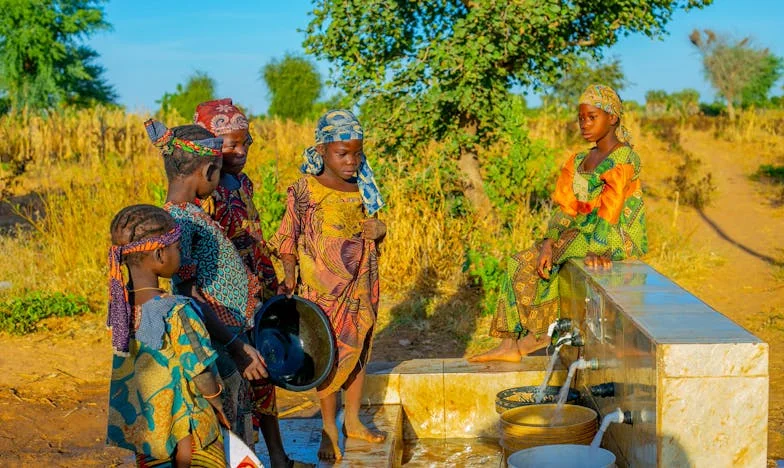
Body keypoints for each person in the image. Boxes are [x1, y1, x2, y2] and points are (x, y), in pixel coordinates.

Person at [470, 84, 648, 363]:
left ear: (612, 118)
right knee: (519, 262)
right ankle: (509, 344)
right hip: (580, 233)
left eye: (592, 117)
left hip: (614, 235)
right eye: (581, 118)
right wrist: (549, 241)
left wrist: (598, 248)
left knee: (557, 256)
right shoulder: (579, 160)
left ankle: (534, 339)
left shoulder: (624, 158)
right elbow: (566, 208)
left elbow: (611, 208)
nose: (584, 124)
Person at [144, 119, 283, 462]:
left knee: (238, 428)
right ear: (208, 170)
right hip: (220, 345)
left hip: (228, 338)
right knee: (227, 434)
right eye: (219, 172)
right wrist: (236, 346)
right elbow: (190, 293)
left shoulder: (189, 214)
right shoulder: (180, 221)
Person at [272, 110, 387, 461]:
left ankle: (352, 421)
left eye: (357, 153)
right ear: (322, 151)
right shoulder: (305, 189)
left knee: (357, 351)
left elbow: (376, 229)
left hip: (361, 287)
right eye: (343, 154)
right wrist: (289, 274)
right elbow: (287, 235)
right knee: (326, 357)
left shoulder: (364, 187)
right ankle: (327, 428)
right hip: (321, 292)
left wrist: (380, 230)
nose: (352, 161)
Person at [193, 99, 287, 464]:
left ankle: (277, 456)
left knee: (264, 376)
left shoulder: (242, 182)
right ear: (210, 145)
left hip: (256, 291)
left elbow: (253, 235)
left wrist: (272, 276)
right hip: (225, 300)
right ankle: (246, 455)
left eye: (245, 143)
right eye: (231, 144)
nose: (240, 152)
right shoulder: (206, 193)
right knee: (237, 381)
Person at [106, 204, 229, 467]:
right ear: (160, 254)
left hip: (148, 434)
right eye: (178, 249)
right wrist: (218, 404)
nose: (181, 255)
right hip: (190, 435)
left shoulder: (121, 311)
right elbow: (200, 370)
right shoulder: (177, 312)